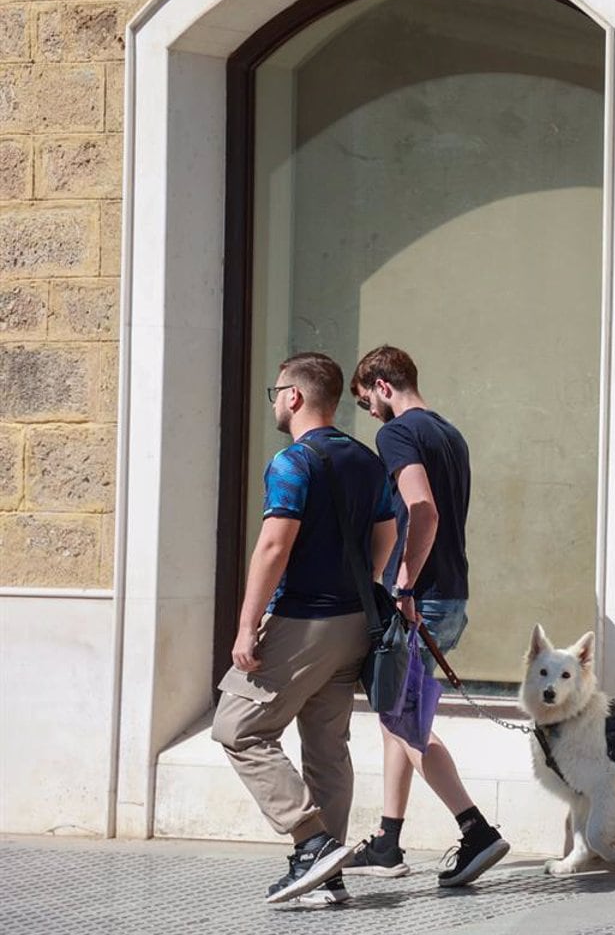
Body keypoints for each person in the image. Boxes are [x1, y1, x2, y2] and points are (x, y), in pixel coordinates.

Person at [214, 352, 396, 908]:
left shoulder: (293, 461)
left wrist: (247, 625)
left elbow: (274, 544)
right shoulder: (366, 459)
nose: (274, 401)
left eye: (276, 392)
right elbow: (387, 531)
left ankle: (310, 841)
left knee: (237, 727)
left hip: (303, 621)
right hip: (354, 624)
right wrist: (364, 579)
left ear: (293, 396)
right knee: (325, 747)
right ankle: (328, 875)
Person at [341, 344, 511, 887]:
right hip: (451, 593)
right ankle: (389, 841)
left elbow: (422, 508)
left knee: (407, 723)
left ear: (384, 386)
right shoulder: (449, 432)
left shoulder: (397, 433)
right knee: (399, 716)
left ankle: (476, 830)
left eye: (369, 401)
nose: (372, 415)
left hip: (422, 597)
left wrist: (405, 582)